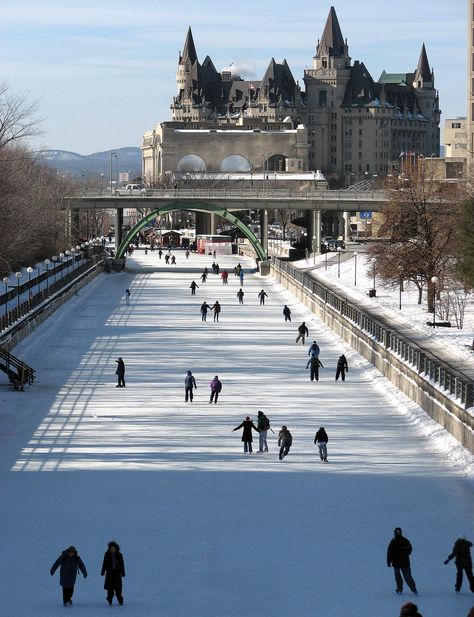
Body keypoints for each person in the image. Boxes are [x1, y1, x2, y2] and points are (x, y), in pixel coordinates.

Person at [387, 527, 418, 595]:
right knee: (406, 577)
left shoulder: (394, 541)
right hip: (403, 563)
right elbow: (410, 549)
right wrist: (405, 555)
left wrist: (389, 561)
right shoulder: (405, 540)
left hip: (399, 563)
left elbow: (389, 552)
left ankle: (401, 589)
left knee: (400, 577)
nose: (397, 533)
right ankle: (412, 590)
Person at [101, 541, 125, 606]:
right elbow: (104, 563)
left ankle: (120, 600)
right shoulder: (107, 554)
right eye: (111, 548)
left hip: (117, 574)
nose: (112, 549)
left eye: (114, 548)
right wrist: (103, 571)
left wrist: (122, 573)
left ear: (116, 548)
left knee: (118, 589)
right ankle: (109, 599)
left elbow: (122, 564)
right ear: (109, 548)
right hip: (109, 574)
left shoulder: (119, 555)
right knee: (110, 590)